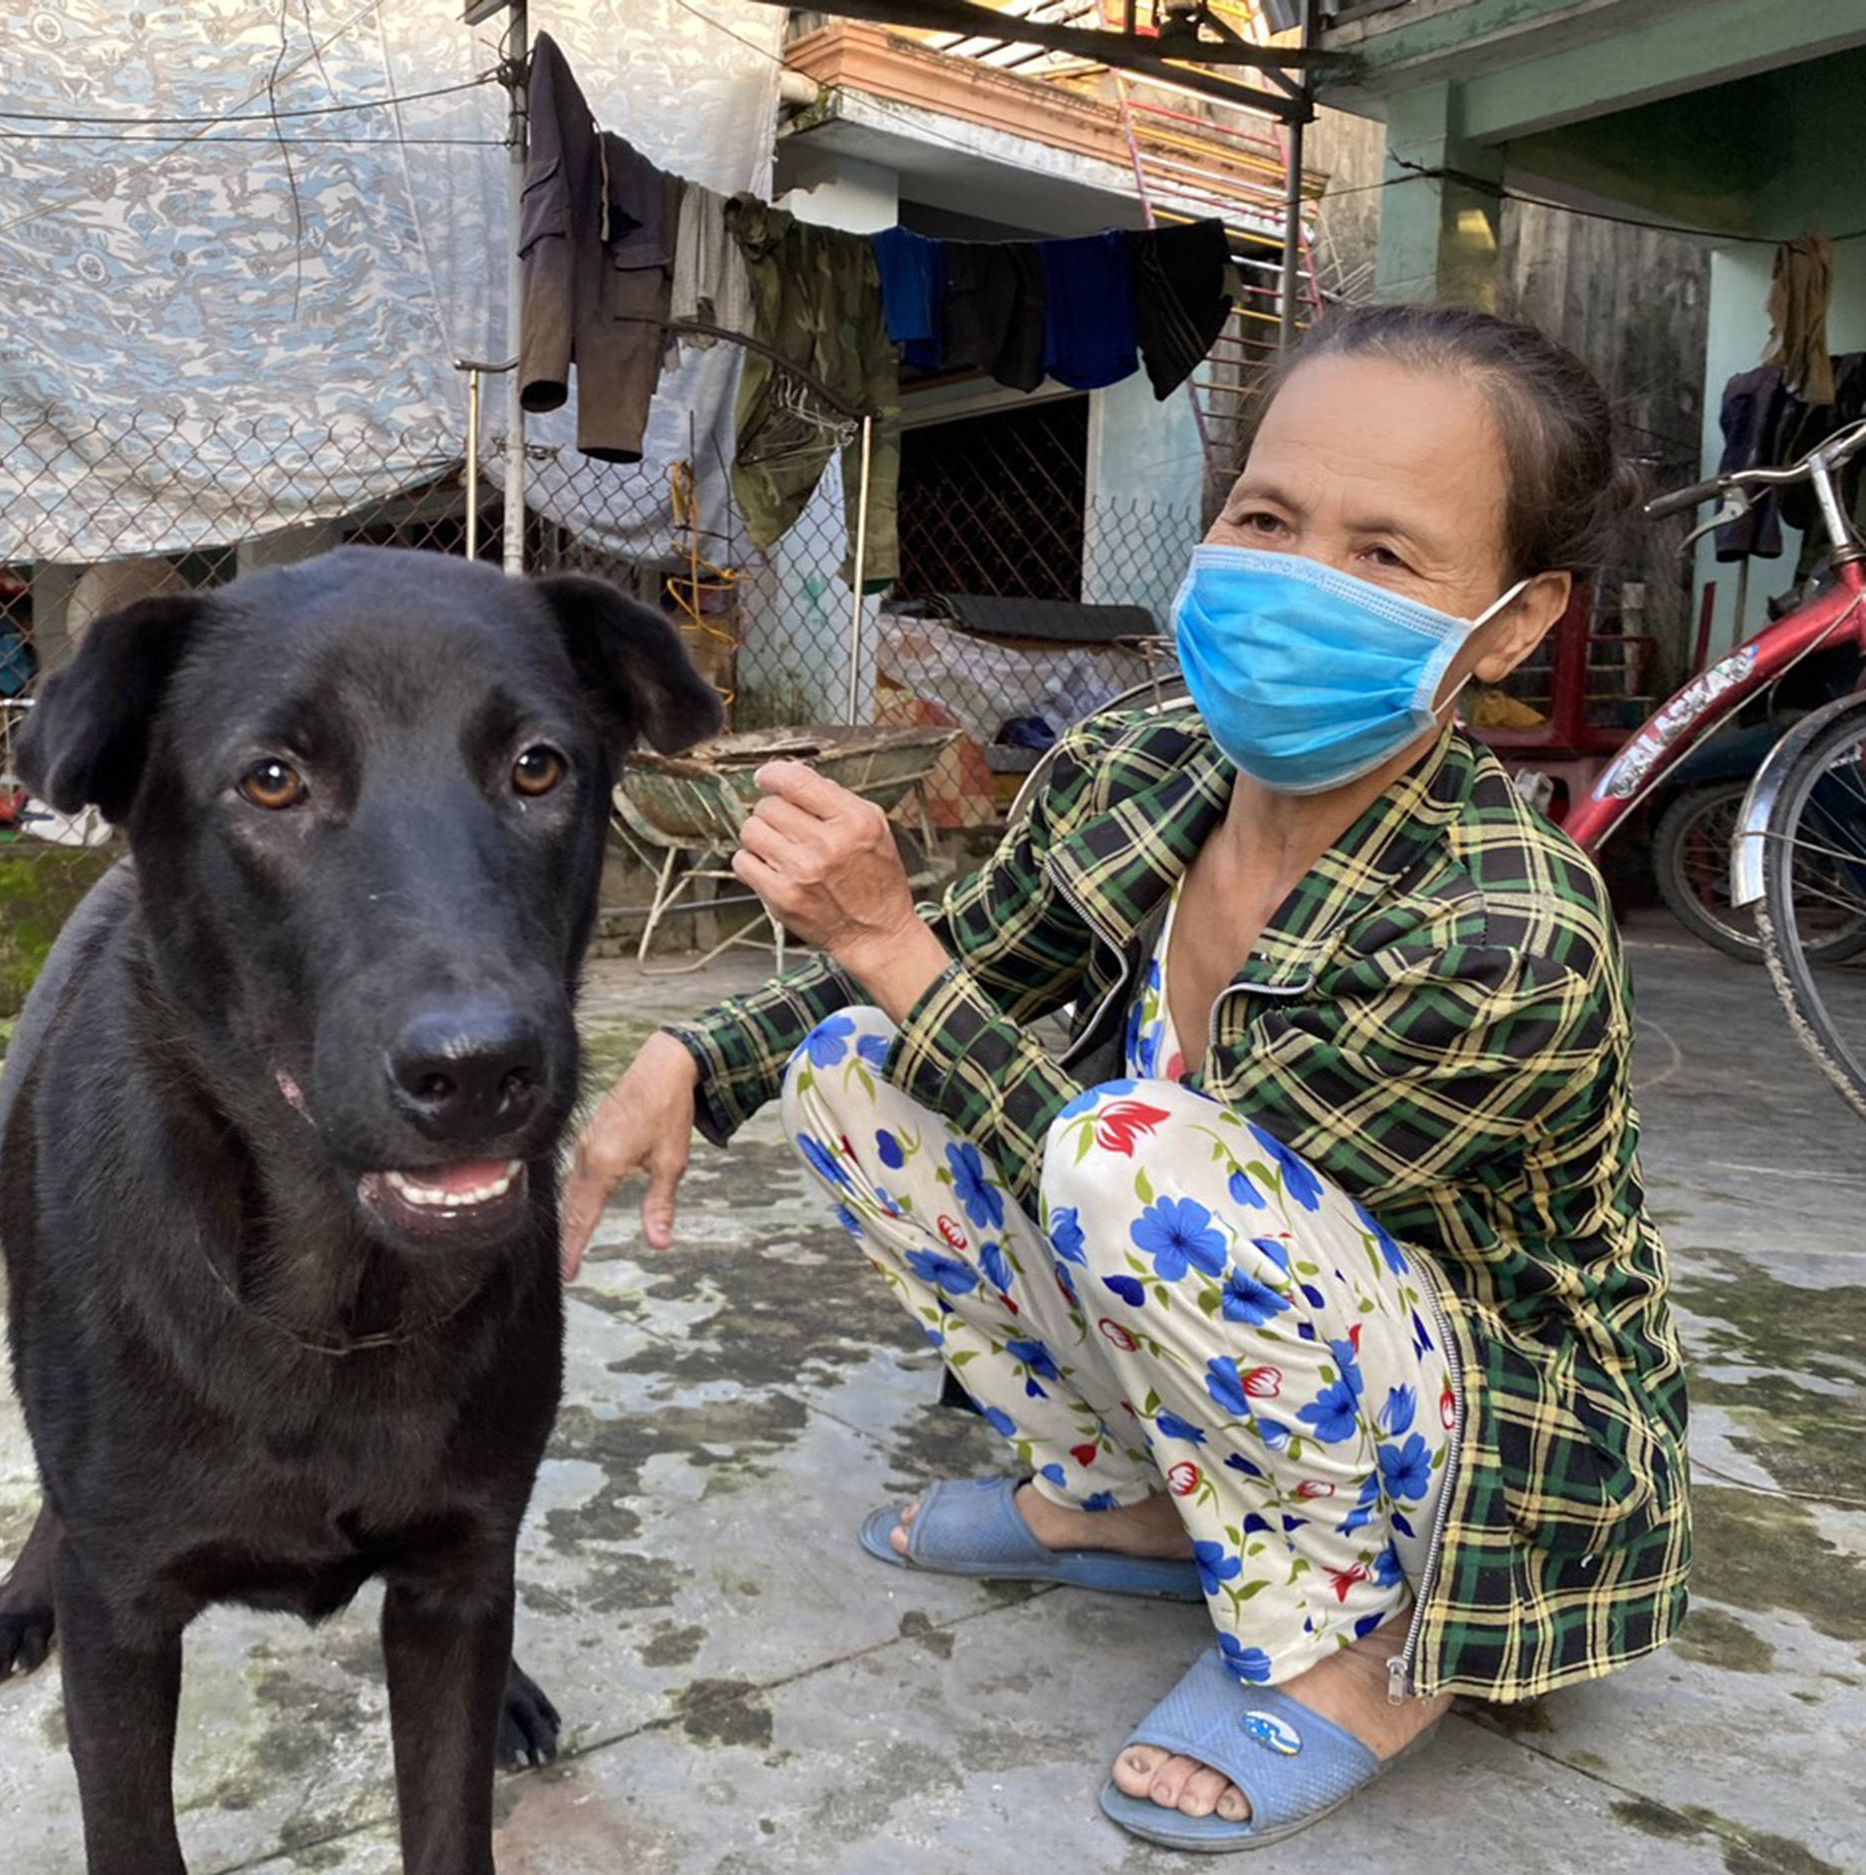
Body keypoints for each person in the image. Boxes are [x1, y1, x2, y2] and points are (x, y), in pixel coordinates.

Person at [561, 302, 1689, 1852]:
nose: (1297, 581)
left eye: (1384, 556)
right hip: (1228, 1304)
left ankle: (1350, 1642)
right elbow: (976, 958)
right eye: (1268, 519)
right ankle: (1130, 1498)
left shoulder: (1499, 930)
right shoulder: (1145, 764)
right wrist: (700, 1052)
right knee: (854, 1069)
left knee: (1121, 1150)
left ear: (1507, 624)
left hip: (1484, 1430)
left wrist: (893, 948)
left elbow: (1183, 1199)